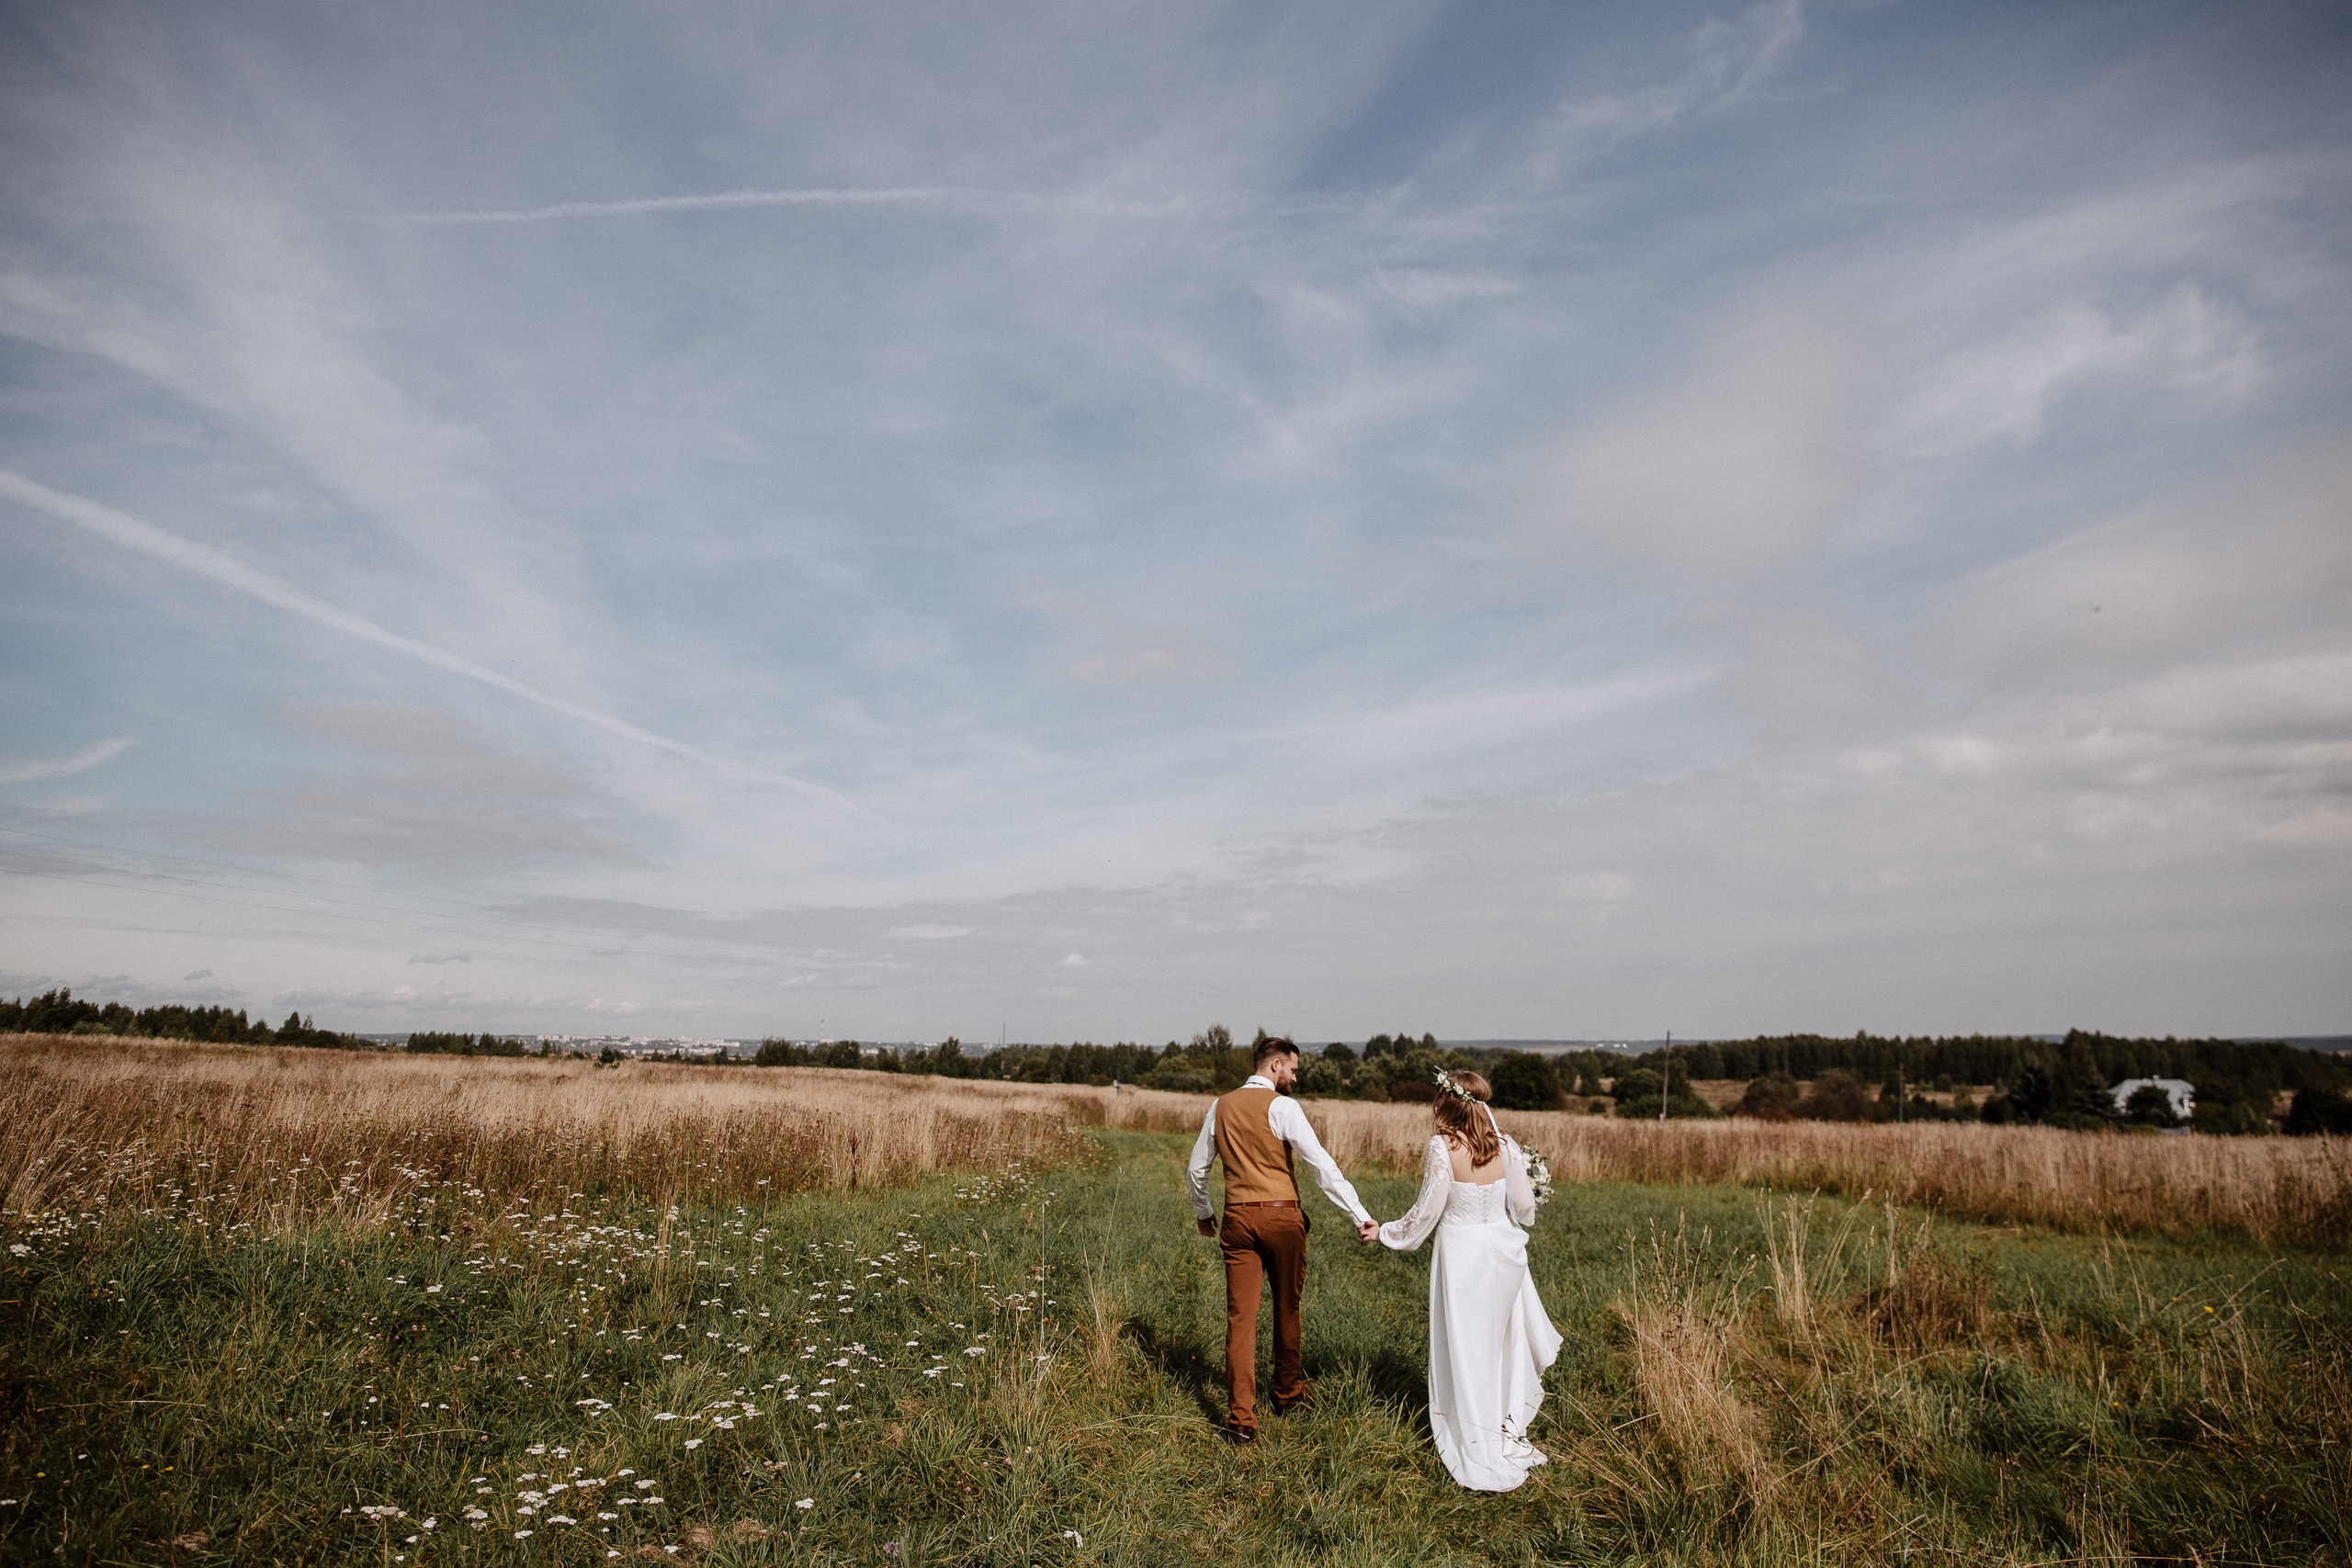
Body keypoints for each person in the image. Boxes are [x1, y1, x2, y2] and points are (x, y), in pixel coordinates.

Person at [1374, 1068, 1561, 1491]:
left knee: (1466, 1347)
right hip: (1504, 1255)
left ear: (1448, 1102)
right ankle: (1503, 1427)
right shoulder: (1507, 1146)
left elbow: (1426, 1212)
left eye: (1438, 1096)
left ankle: (1475, 1439)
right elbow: (1523, 1206)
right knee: (1500, 1345)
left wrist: (1384, 1231)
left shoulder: (1442, 1147)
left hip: (1462, 1258)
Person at [1186, 1035, 1377, 1444]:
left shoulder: (1220, 1106)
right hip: (1280, 1218)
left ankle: (1241, 1421)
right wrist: (1359, 1215)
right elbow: (1320, 1165)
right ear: (1274, 1066)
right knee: (1287, 1309)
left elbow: (1196, 1169)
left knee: (1240, 1320)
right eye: (1292, 1069)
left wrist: (1205, 1213)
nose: (1294, 1077)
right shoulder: (1283, 1106)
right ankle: (1287, 1395)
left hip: (1237, 1219)